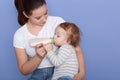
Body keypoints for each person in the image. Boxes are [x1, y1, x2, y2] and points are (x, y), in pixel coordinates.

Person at [13, 0, 85, 80]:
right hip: (39, 73)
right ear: (26, 14)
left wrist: (82, 73)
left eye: (46, 13)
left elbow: (76, 49)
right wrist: (38, 56)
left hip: (62, 72)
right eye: (38, 18)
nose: (44, 20)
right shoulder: (20, 35)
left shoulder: (58, 22)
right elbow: (24, 70)